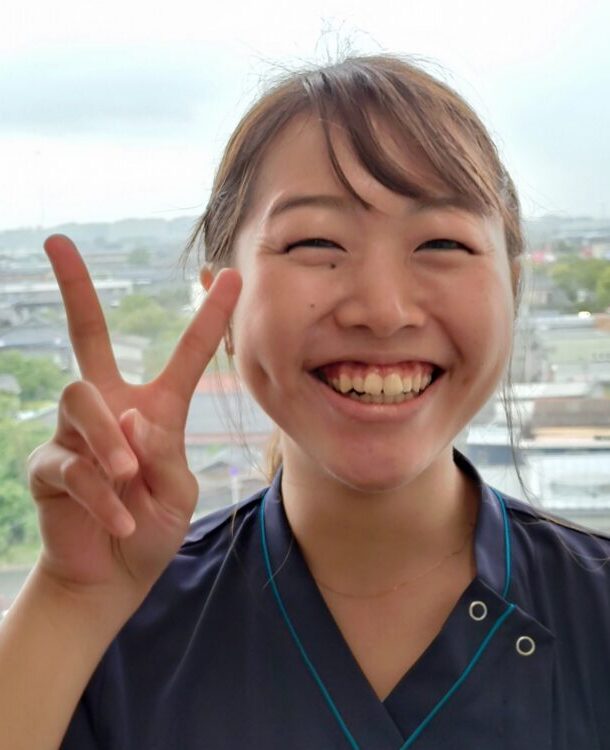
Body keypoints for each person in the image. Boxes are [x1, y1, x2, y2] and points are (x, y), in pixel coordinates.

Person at [1, 54, 609, 750]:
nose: (383, 309)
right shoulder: (105, 630)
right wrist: (71, 599)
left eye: (442, 242)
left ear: (512, 288)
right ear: (222, 305)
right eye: (315, 242)